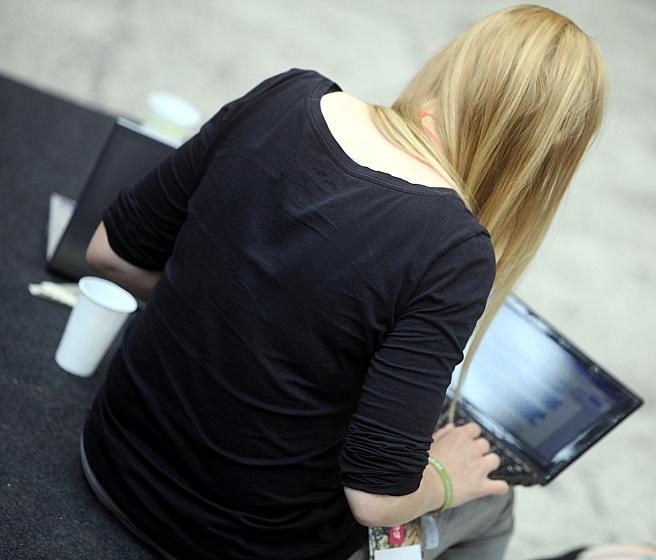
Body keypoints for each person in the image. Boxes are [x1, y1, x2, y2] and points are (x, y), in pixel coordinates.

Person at [80, 4, 607, 559]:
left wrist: (223, 315)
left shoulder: (285, 96)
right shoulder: (456, 250)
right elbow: (375, 499)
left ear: (456, 63)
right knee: (491, 495)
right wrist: (445, 477)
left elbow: (108, 254)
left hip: (110, 460)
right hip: (236, 545)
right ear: (545, 158)